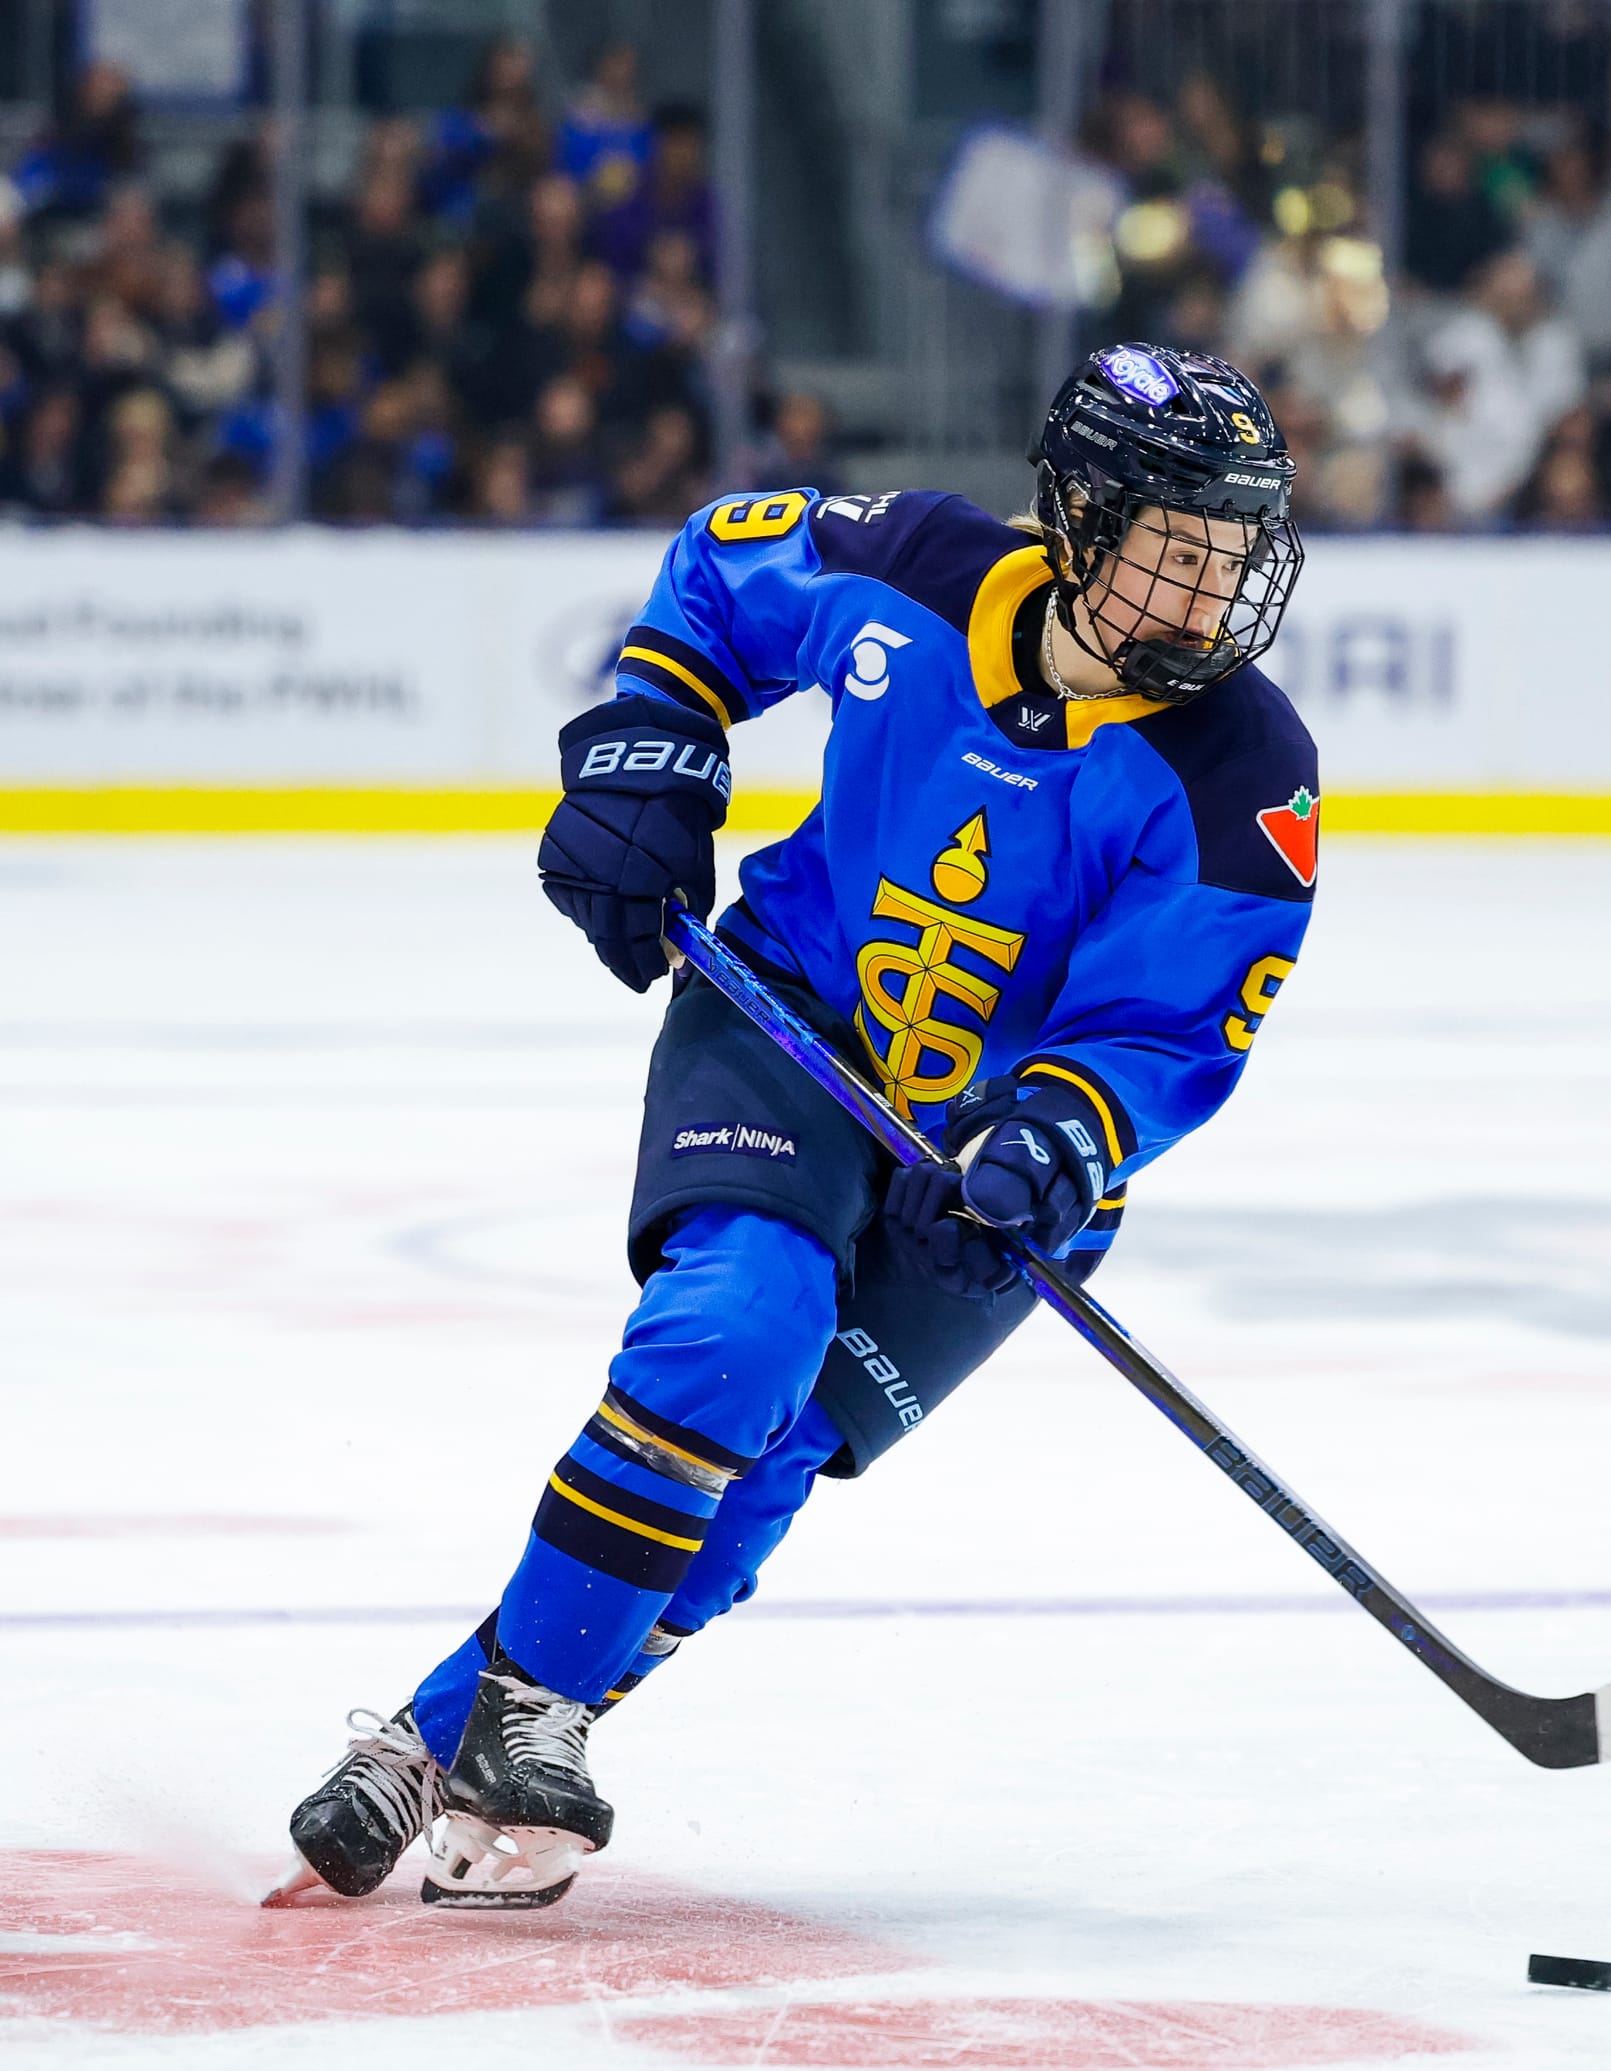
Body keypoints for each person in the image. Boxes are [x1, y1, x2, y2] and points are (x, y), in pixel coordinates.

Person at [270, 346, 1317, 1909]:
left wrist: (1048, 1143)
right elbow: (721, 573)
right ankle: (534, 1715)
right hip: (787, 1026)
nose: (1210, 599)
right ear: (1083, 519)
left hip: (988, 1166)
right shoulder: (913, 567)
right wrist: (653, 746)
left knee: (757, 1472)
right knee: (737, 1327)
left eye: (1235, 560)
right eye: (1178, 551)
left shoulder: (1245, 774)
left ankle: (445, 1745)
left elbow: (1162, 1030)